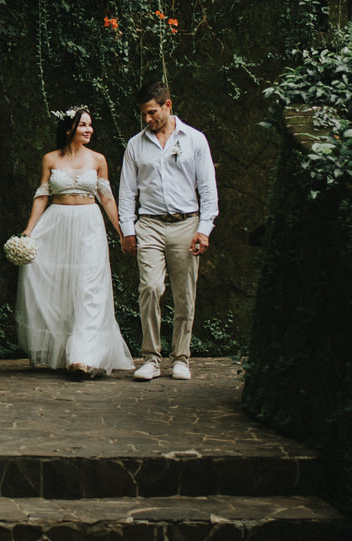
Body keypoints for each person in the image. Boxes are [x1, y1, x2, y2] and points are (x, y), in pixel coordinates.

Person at [14, 106, 135, 378]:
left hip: (89, 225)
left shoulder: (98, 159)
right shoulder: (50, 159)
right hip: (56, 223)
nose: (89, 129)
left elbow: (107, 198)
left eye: (90, 125)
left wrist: (122, 232)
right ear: (69, 128)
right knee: (56, 285)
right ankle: (62, 349)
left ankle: (83, 356)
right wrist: (28, 231)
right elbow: (42, 196)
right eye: (83, 125)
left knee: (89, 287)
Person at [118, 80, 219, 382]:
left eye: (152, 113)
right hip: (148, 224)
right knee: (150, 287)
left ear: (167, 105)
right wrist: (127, 230)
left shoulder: (194, 140)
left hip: (186, 223)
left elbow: (208, 189)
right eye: (143, 115)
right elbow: (126, 192)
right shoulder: (136, 145)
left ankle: (181, 358)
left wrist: (204, 229)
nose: (148, 120)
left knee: (185, 293)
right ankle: (150, 357)